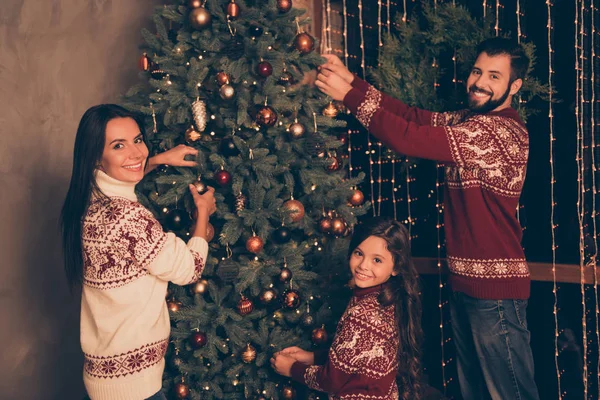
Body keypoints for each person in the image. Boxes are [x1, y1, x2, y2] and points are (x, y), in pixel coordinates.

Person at [314, 38, 539, 400]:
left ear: (514, 87)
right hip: (466, 286)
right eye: (477, 71)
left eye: (494, 76)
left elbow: (409, 137)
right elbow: (412, 117)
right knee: (475, 393)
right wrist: (352, 81)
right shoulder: (468, 122)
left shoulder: (499, 132)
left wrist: (348, 97)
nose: (480, 82)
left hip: (495, 296)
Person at [60, 104, 216, 400]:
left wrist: (158, 159)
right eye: (118, 145)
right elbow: (188, 268)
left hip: (103, 374)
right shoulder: (129, 218)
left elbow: (119, 174)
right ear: (96, 156)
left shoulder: (90, 196)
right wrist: (203, 213)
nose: (136, 152)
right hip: (134, 386)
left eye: (138, 140)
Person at [271, 217, 422, 399]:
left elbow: (331, 381)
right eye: (359, 253)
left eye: (377, 260)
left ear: (396, 267)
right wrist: (311, 357)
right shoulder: (385, 296)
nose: (363, 266)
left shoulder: (363, 314)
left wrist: (291, 369)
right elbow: (355, 355)